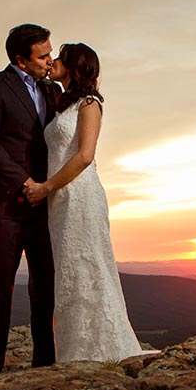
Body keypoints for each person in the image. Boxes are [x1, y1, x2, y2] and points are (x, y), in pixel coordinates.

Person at [24, 43, 158, 362]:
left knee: (88, 263)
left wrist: (45, 188)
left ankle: (99, 346)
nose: (52, 61)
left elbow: (85, 156)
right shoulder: (62, 103)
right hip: (61, 198)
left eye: (59, 58)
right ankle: (74, 347)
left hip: (79, 194)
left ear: (73, 66)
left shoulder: (89, 103)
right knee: (70, 269)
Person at [0, 24, 62, 374]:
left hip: (45, 199)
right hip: (7, 200)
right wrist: (24, 182)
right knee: (1, 280)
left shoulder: (52, 90)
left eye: (50, 52)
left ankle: (45, 360)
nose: (49, 60)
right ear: (21, 60)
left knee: (46, 280)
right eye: (43, 55)